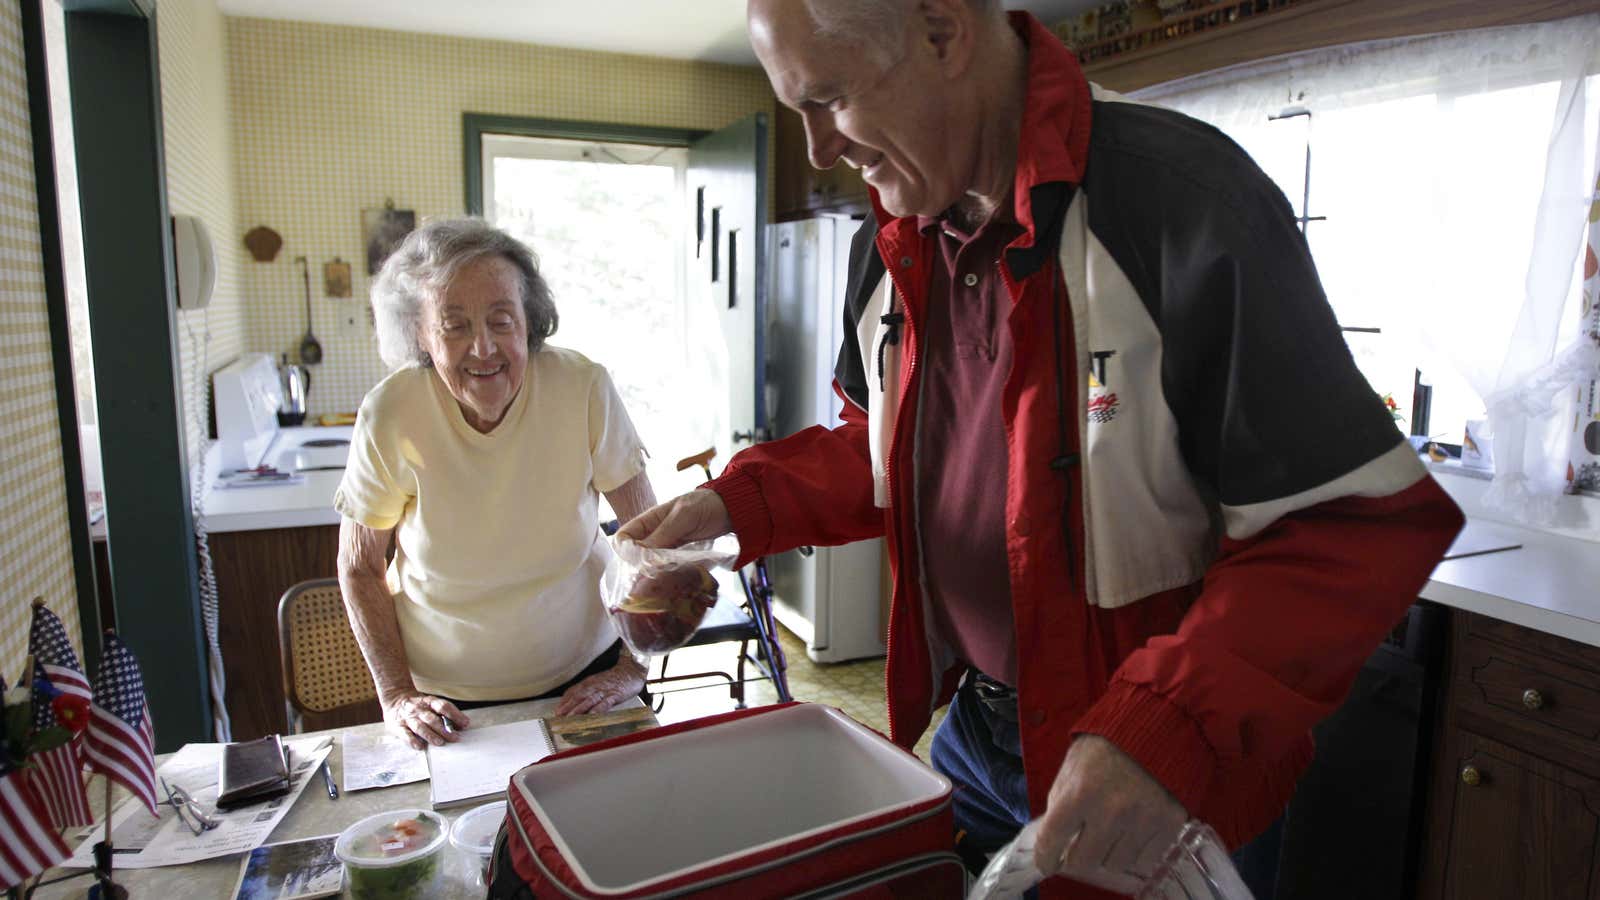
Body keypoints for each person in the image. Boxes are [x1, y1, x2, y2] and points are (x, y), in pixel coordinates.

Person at [620, 2, 1465, 897]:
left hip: (1152, 774)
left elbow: (1345, 528)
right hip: (977, 734)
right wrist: (732, 506)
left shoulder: (1176, 203)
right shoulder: (889, 240)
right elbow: (884, 447)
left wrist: (1163, 731)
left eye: (827, 98)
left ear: (943, 32)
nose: (819, 149)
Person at [336, 218, 656, 751]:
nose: (482, 348)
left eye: (501, 320)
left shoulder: (581, 388)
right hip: (448, 705)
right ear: (420, 333)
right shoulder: (392, 412)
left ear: (528, 322)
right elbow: (360, 565)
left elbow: (648, 536)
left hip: (588, 677)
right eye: (454, 325)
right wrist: (395, 694)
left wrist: (633, 664)